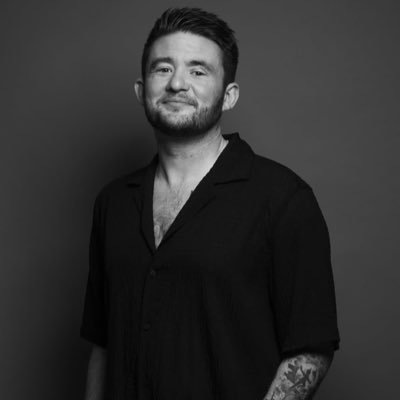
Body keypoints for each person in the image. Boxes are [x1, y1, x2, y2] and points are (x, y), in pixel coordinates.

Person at [80, 7, 340, 400]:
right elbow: (103, 343)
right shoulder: (112, 203)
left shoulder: (283, 199)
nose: (177, 83)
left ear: (228, 95)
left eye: (198, 71)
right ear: (141, 90)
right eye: (163, 68)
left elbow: (310, 347)